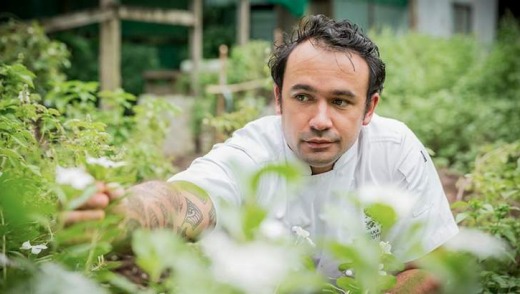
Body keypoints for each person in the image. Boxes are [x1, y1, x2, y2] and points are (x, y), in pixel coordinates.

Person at [65, 14, 458, 293]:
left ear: (369, 107)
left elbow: (431, 266)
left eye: (340, 102)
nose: (320, 120)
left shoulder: (395, 151)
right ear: (278, 98)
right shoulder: (252, 154)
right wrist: (121, 215)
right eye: (303, 97)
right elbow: (183, 200)